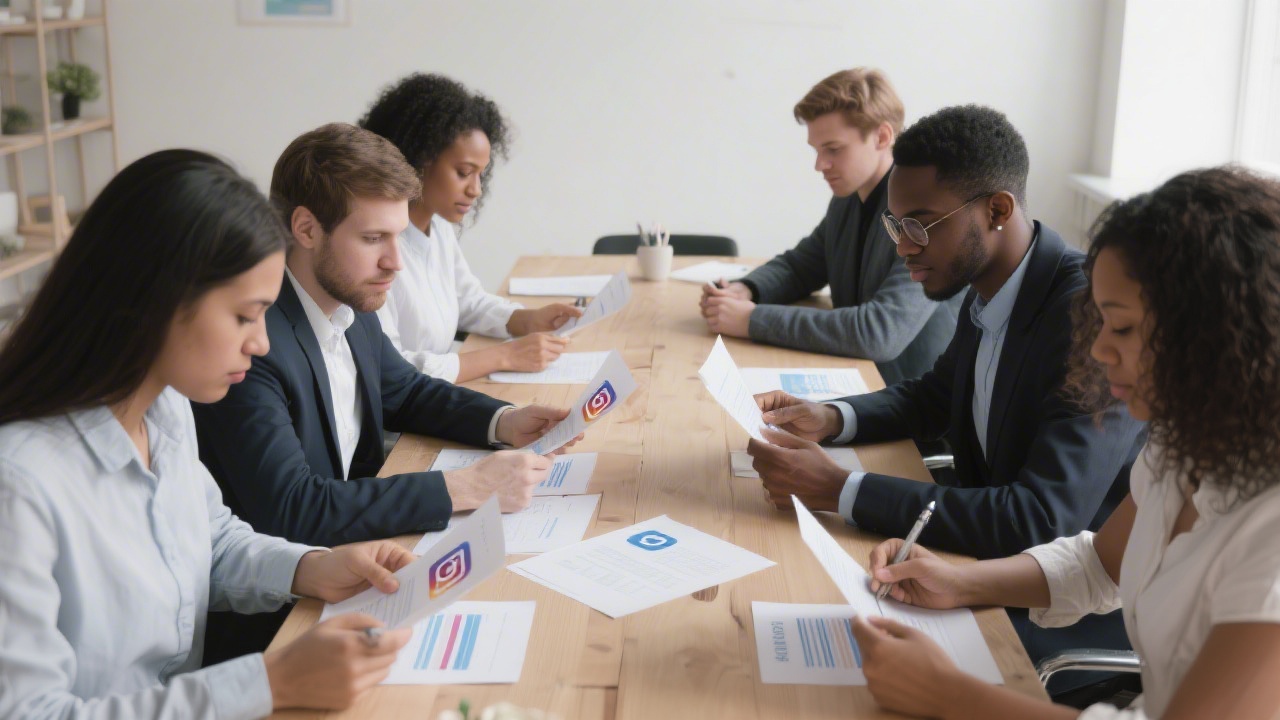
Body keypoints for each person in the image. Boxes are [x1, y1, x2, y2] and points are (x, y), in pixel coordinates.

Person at [0, 149, 420, 718]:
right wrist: (270, 683)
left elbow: (210, 539)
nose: (261, 342)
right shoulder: (20, 483)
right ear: (156, 301)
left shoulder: (166, 406)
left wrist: (310, 566)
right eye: (245, 316)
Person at [849, 166, 1280, 719]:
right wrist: (958, 581)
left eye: (1121, 328)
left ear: (1217, 334)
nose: (1098, 351)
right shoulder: (1184, 447)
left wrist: (947, 694)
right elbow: (1098, 565)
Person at [745, 105, 1146, 690]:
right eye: (896, 226)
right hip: (975, 568)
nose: (903, 247)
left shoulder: (1086, 318)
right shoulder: (990, 287)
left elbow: (1040, 519)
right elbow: (936, 395)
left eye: (921, 225)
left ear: (997, 210)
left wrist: (841, 489)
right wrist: (831, 417)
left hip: (1062, 613)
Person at [194, 123, 576, 549]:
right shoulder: (251, 342)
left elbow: (405, 392)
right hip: (291, 577)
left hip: (354, 547)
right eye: (374, 238)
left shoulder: (350, 300)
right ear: (306, 229)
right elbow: (293, 509)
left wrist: (504, 421)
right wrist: (466, 487)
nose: (395, 262)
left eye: (398, 237)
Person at [699, 68, 960, 385]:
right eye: (817, 150)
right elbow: (802, 265)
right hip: (859, 381)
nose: (819, 165)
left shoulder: (928, 217)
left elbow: (880, 332)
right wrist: (747, 289)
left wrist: (751, 319)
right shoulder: (849, 198)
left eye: (833, 149)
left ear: (882, 137)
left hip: (913, 402)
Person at [359, 73, 581, 384]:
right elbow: (392, 370)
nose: (475, 190)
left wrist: (528, 319)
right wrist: (504, 356)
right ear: (417, 159)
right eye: (464, 173)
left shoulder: (438, 228)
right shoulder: (372, 251)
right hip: (405, 406)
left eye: (480, 175)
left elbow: (467, 300)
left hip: (435, 393)